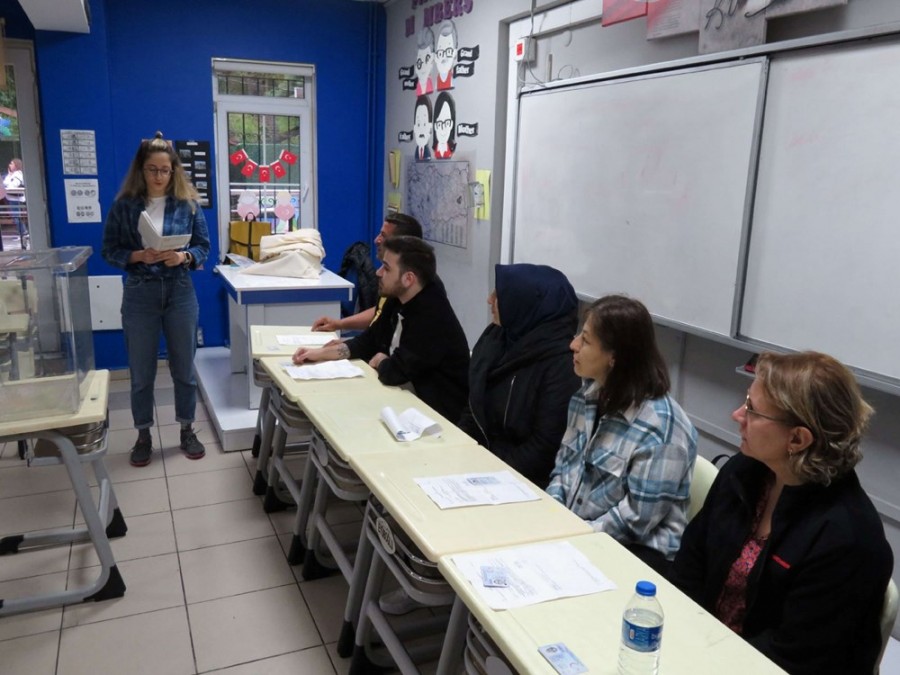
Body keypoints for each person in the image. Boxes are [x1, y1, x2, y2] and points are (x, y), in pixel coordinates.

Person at [671, 351, 893, 675]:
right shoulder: (743, 473)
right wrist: (679, 637)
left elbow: (793, 658)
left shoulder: (848, 539)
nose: (737, 414)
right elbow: (689, 566)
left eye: (752, 409)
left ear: (798, 439)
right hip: (706, 650)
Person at [546, 294, 697, 571]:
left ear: (614, 357)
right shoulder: (586, 397)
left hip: (636, 556)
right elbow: (564, 469)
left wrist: (573, 537)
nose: (573, 345)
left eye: (585, 340)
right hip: (579, 536)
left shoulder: (661, 427)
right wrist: (553, 514)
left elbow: (636, 520)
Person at [101, 132, 211, 467]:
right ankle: (143, 435)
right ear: (141, 170)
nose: (159, 176)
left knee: (184, 369)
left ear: (174, 171)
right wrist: (138, 255)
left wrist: (184, 257)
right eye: (152, 170)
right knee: (141, 372)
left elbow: (203, 247)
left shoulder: (187, 203)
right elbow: (110, 250)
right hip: (140, 293)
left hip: (179, 290)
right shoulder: (124, 205)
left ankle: (187, 430)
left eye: (165, 170)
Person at [293, 235, 469, 421]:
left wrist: (382, 360)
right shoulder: (397, 298)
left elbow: (395, 372)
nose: (378, 273)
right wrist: (318, 354)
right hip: (407, 398)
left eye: (386, 268)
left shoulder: (431, 317)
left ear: (408, 279)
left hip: (437, 415)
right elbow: (369, 341)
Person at [458, 263, 581, 488]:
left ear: (524, 302)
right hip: (482, 464)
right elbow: (474, 405)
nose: (489, 300)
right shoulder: (497, 336)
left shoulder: (562, 364)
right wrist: (457, 451)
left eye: (499, 295)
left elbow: (544, 448)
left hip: (522, 481)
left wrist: (487, 474)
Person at [311, 213, 424, 334]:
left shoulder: (416, 291)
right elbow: (379, 311)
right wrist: (338, 324)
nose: (376, 240)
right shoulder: (394, 280)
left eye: (383, 236)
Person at [3, 158, 26, 243]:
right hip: (12, 198)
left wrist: (8, 182)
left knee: (16, 217)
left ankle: (23, 233)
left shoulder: (18, 174)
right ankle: (22, 233)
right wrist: (9, 175)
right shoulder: (11, 174)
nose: (9, 165)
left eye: (11, 163)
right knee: (15, 216)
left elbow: (12, 186)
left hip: (17, 199)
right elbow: (5, 183)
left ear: (16, 165)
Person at [432, 92, 457, 160]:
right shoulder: (435, 150)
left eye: (447, 123)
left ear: (451, 125)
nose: (443, 128)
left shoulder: (451, 149)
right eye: (440, 124)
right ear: (435, 126)